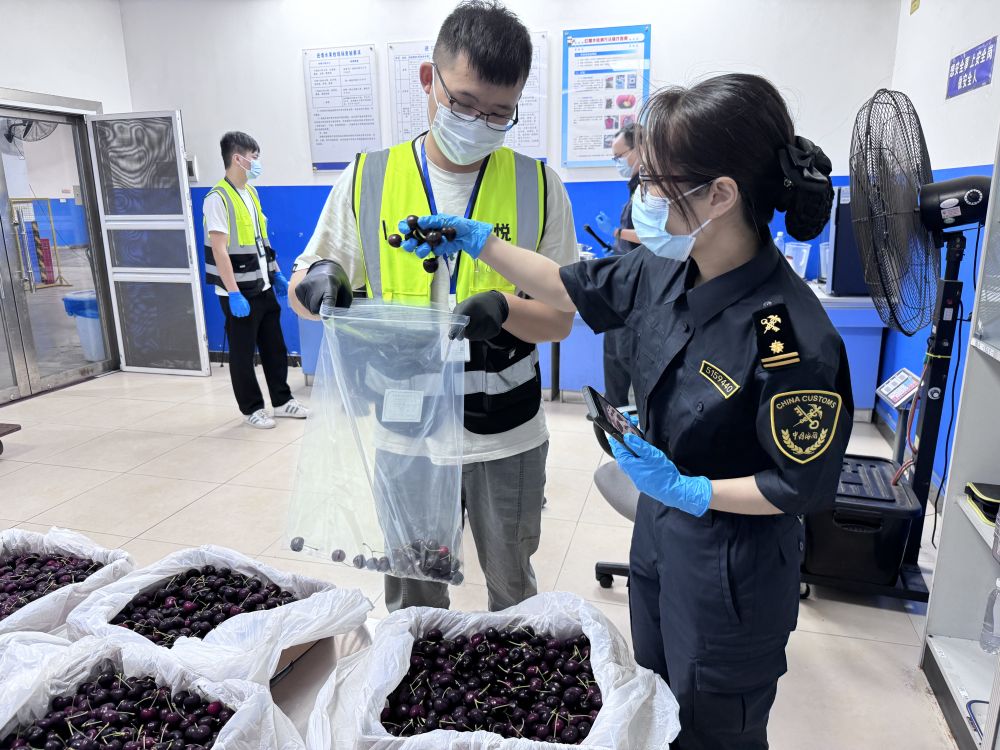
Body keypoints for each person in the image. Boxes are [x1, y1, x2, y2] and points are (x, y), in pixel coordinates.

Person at [400, 73, 853, 749]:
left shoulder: (792, 340)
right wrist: (478, 243)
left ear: (721, 194)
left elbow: (800, 485)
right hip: (659, 536)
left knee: (714, 728)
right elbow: (568, 286)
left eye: (655, 183)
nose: (641, 196)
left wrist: (692, 490)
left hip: (732, 567)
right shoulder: (667, 267)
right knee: (658, 700)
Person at [288, 0, 578, 612]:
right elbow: (305, 288)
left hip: (507, 434)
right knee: (413, 597)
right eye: (465, 103)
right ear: (429, 79)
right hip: (407, 433)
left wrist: (504, 309)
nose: (479, 123)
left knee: (513, 593)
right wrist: (319, 284)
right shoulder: (368, 178)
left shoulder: (539, 185)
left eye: (499, 113)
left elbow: (559, 318)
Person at [203, 131, 308, 429]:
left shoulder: (250, 193)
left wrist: (275, 273)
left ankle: (282, 401)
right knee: (243, 353)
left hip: (262, 285)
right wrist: (233, 293)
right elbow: (220, 250)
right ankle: (252, 408)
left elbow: (261, 239)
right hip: (238, 292)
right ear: (238, 158)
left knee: (275, 347)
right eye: (254, 157)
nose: (258, 162)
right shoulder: (217, 199)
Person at [603, 122, 642, 406]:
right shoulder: (635, 189)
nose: (617, 162)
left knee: (623, 357)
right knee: (614, 356)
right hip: (624, 284)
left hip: (637, 292)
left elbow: (654, 236)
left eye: (620, 155)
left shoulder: (650, 190)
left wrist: (617, 233)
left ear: (639, 149)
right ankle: (613, 417)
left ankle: (622, 418)